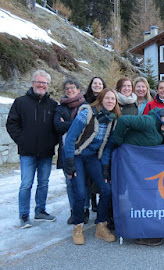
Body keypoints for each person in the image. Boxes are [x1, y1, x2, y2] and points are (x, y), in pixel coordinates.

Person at [113, 101, 164, 246]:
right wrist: (118, 142)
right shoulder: (149, 121)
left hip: (139, 167)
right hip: (129, 163)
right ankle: (139, 233)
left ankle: (143, 230)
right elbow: (124, 120)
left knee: (140, 197)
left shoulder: (160, 129)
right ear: (161, 115)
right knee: (136, 197)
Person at [63, 88, 120, 245]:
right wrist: (69, 162)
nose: (110, 101)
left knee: (106, 189)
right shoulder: (87, 113)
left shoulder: (112, 119)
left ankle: (101, 226)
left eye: (113, 99)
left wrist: (105, 167)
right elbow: (70, 138)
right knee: (80, 192)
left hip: (93, 157)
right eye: (107, 98)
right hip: (76, 155)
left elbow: (107, 146)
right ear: (101, 99)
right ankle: (78, 226)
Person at [6, 69, 58, 228]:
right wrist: (22, 141)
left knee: (43, 183)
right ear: (32, 83)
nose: (42, 85)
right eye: (39, 82)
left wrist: (52, 142)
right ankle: (24, 215)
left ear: (48, 85)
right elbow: (11, 124)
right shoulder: (20, 102)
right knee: (26, 183)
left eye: (45, 83)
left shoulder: (53, 105)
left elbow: (58, 127)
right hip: (27, 152)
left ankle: (40, 211)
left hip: (46, 152)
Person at [53, 79, 88, 225]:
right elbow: (57, 126)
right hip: (66, 151)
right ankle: (74, 211)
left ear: (79, 89)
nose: (69, 90)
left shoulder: (85, 106)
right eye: (67, 88)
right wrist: (75, 125)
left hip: (84, 150)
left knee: (84, 182)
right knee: (70, 182)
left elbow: (87, 126)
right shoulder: (60, 107)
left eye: (72, 87)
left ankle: (85, 209)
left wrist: (67, 125)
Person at [84, 76, 106, 212]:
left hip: (101, 142)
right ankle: (91, 203)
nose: (97, 85)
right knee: (88, 177)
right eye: (95, 83)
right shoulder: (84, 100)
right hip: (88, 143)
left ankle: (98, 201)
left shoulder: (106, 100)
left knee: (99, 175)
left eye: (99, 83)